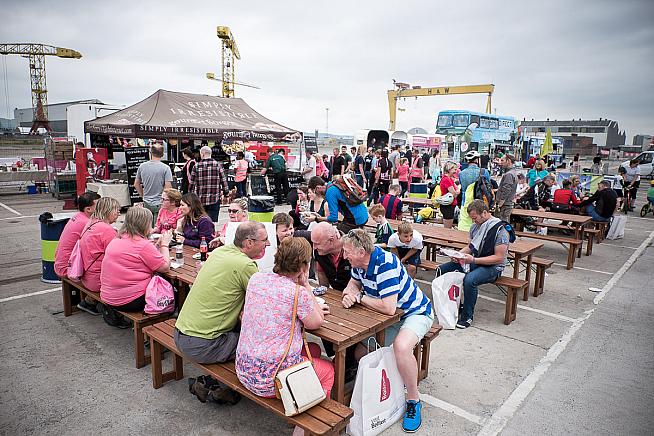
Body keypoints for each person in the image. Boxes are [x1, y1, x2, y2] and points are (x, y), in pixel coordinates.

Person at [340, 229, 433, 433]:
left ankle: (413, 400)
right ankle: (381, 389)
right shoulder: (360, 264)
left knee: (401, 348)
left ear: (362, 252)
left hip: (415, 312)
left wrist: (359, 298)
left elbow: (388, 307)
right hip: (391, 318)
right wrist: (350, 293)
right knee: (360, 354)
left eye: (347, 252)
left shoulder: (385, 264)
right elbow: (353, 283)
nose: (344, 256)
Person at [235, 237, 334, 417]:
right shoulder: (297, 293)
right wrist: (306, 285)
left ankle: (302, 397)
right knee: (328, 369)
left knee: (313, 349)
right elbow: (316, 322)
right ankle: (308, 422)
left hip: (245, 368)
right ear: (304, 267)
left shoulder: (256, 278)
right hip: (270, 381)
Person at [175, 221, 268, 404]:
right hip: (203, 344)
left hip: (181, 333)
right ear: (249, 243)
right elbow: (265, 304)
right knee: (262, 344)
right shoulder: (245, 265)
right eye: (265, 240)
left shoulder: (220, 252)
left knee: (240, 328)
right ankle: (220, 386)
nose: (269, 244)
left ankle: (216, 384)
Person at [436, 200, 509, 329]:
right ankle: (449, 306)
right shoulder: (475, 226)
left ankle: (467, 316)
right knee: (442, 270)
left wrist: (473, 260)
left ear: (484, 213)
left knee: (470, 280)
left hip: (493, 267)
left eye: (475, 218)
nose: (473, 221)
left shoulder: (500, 229)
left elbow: (499, 258)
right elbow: (471, 247)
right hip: (475, 260)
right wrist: (458, 255)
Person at [100, 207, 172, 327]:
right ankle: (166, 324)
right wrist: (164, 245)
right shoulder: (142, 244)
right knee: (170, 289)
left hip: (108, 296)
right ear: (144, 224)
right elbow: (165, 267)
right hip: (130, 300)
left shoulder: (117, 239)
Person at [78, 197, 120, 300]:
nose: (118, 213)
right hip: (99, 281)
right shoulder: (106, 229)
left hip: (87, 277)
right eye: (116, 210)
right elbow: (120, 256)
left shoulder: (91, 223)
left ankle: (90, 302)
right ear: (108, 211)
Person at [54, 191, 100, 279]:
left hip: (60, 264)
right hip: (68, 269)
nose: (103, 208)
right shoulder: (86, 223)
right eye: (100, 206)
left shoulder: (78, 216)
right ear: (88, 209)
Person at [134, 144, 173, 225]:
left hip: (146, 202)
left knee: (146, 226)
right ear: (162, 154)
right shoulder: (166, 168)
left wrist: (143, 195)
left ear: (150, 152)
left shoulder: (142, 166)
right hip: (160, 202)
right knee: (158, 227)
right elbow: (168, 187)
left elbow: (136, 184)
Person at [190, 146, 229, 222]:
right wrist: (226, 194)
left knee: (200, 221)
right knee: (212, 222)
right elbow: (224, 181)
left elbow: (192, 184)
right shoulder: (218, 165)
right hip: (215, 199)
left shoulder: (196, 166)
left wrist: (191, 198)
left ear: (202, 154)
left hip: (200, 200)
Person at [311, 222, 352, 291]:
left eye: (317, 243)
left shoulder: (352, 249)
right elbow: (321, 273)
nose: (314, 247)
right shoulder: (319, 252)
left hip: (354, 294)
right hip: (335, 293)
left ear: (331, 240)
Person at [494, 154, 518, 222]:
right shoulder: (512, 172)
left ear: (509, 161)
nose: (500, 162)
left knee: (501, 224)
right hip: (507, 204)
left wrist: (500, 203)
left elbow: (506, 189)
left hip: (505, 205)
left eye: (502, 160)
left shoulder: (509, 174)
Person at [440, 162, 460, 228]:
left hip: (449, 205)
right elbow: (455, 194)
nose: (456, 171)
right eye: (454, 169)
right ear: (449, 169)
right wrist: (457, 191)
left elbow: (456, 190)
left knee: (448, 227)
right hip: (448, 206)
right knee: (448, 229)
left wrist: (457, 191)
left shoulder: (449, 179)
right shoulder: (447, 179)